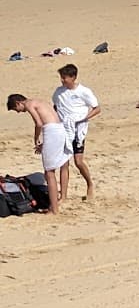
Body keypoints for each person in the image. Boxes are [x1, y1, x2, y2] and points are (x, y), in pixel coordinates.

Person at [7, 93, 68, 213]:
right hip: (60, 129)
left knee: (49, 172)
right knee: (59, 166)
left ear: (19, 103)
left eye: (16, 109)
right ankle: (56, 203)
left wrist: (36, 139)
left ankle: (54, 209)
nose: (19, 112)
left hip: (51, 131)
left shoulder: (29, 104)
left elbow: (39, 123)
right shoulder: (40, 101)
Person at [52, 64, 99, 203]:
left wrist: (83, 119)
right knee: (64, 162)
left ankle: (90, 184)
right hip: (64, 130)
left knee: (78, 161)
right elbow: (56, 107)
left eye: (65, 78)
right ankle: (64, 196)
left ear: (73, 77)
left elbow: (97, 108)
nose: (62, 80)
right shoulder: (58, 92)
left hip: (78, 130)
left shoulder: (84, 91)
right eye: (61, 78)